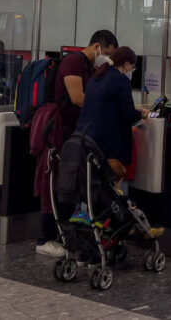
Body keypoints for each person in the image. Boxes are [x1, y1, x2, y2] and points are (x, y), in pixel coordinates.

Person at [35, 29, 118, 257]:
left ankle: (67, 236)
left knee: (70, 188)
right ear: (97, 47)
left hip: (75, 136)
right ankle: (45, 238)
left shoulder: (90, 68)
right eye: (107, 53)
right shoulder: (73, 62)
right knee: (55, 186)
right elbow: (77, 97)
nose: (108, 58)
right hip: (59, 134)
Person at [76, 46, 145, 182]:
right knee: (113, 188)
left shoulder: (96, 77)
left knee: (91, 184)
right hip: (109, 146)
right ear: (126, 65)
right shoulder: (121, 80)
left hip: (86, 139)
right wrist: (141, 114)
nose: (131, 70)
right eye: (132, 67)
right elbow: (128, 115)